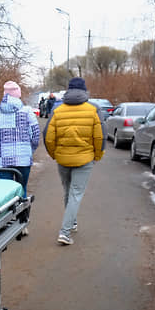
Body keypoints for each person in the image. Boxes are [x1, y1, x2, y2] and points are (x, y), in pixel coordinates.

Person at [43, 77, 104, 246]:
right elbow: (99, 136)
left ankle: (72, 222)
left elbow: (48, 136)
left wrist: (55, 154)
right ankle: (64, 232)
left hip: (63, 159)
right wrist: (97, 155)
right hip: (85, 159)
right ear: (85, 92)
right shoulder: (92, 110)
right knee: (76, 195)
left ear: (68, 91)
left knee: (67, 191)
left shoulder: (58, 111)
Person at [0, 80, 40, 200]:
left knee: (7, 193)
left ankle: (8, 217)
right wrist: (29, 150)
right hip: (23, 159)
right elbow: (35, 135)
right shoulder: (27, 112)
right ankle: (23, 217)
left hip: (4, 160)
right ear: (18, 95)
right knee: (22, 188)